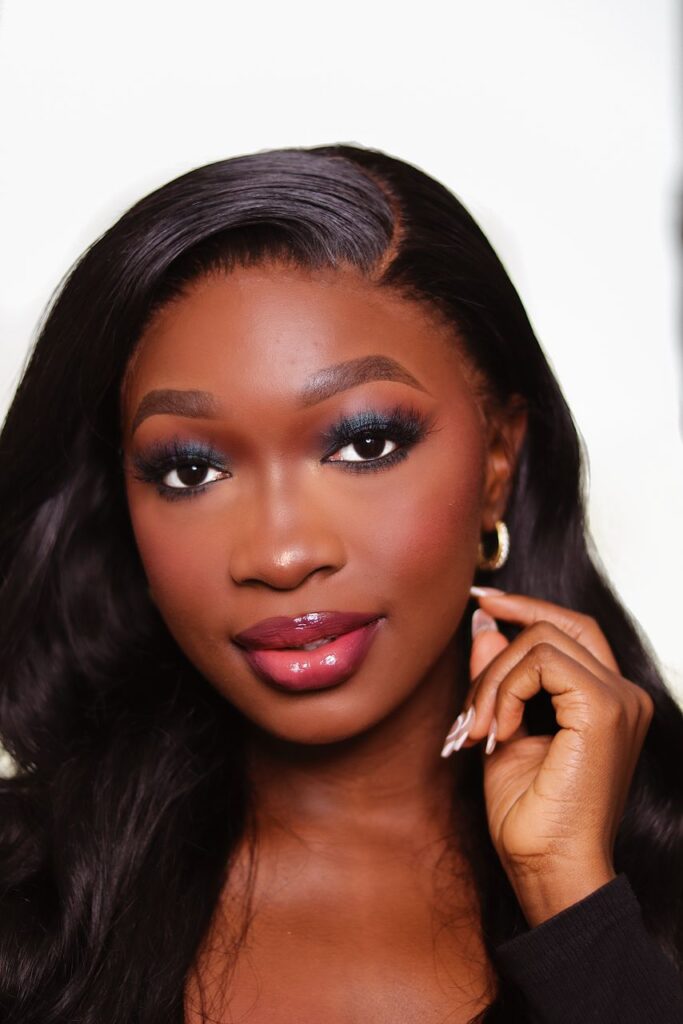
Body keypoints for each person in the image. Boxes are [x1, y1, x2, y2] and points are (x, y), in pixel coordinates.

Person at [0, 144, 681, 1024]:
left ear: (496, 463)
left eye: (364, 444)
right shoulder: (26, 900)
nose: (282, 556)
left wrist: (576, 905)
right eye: (191, 469)